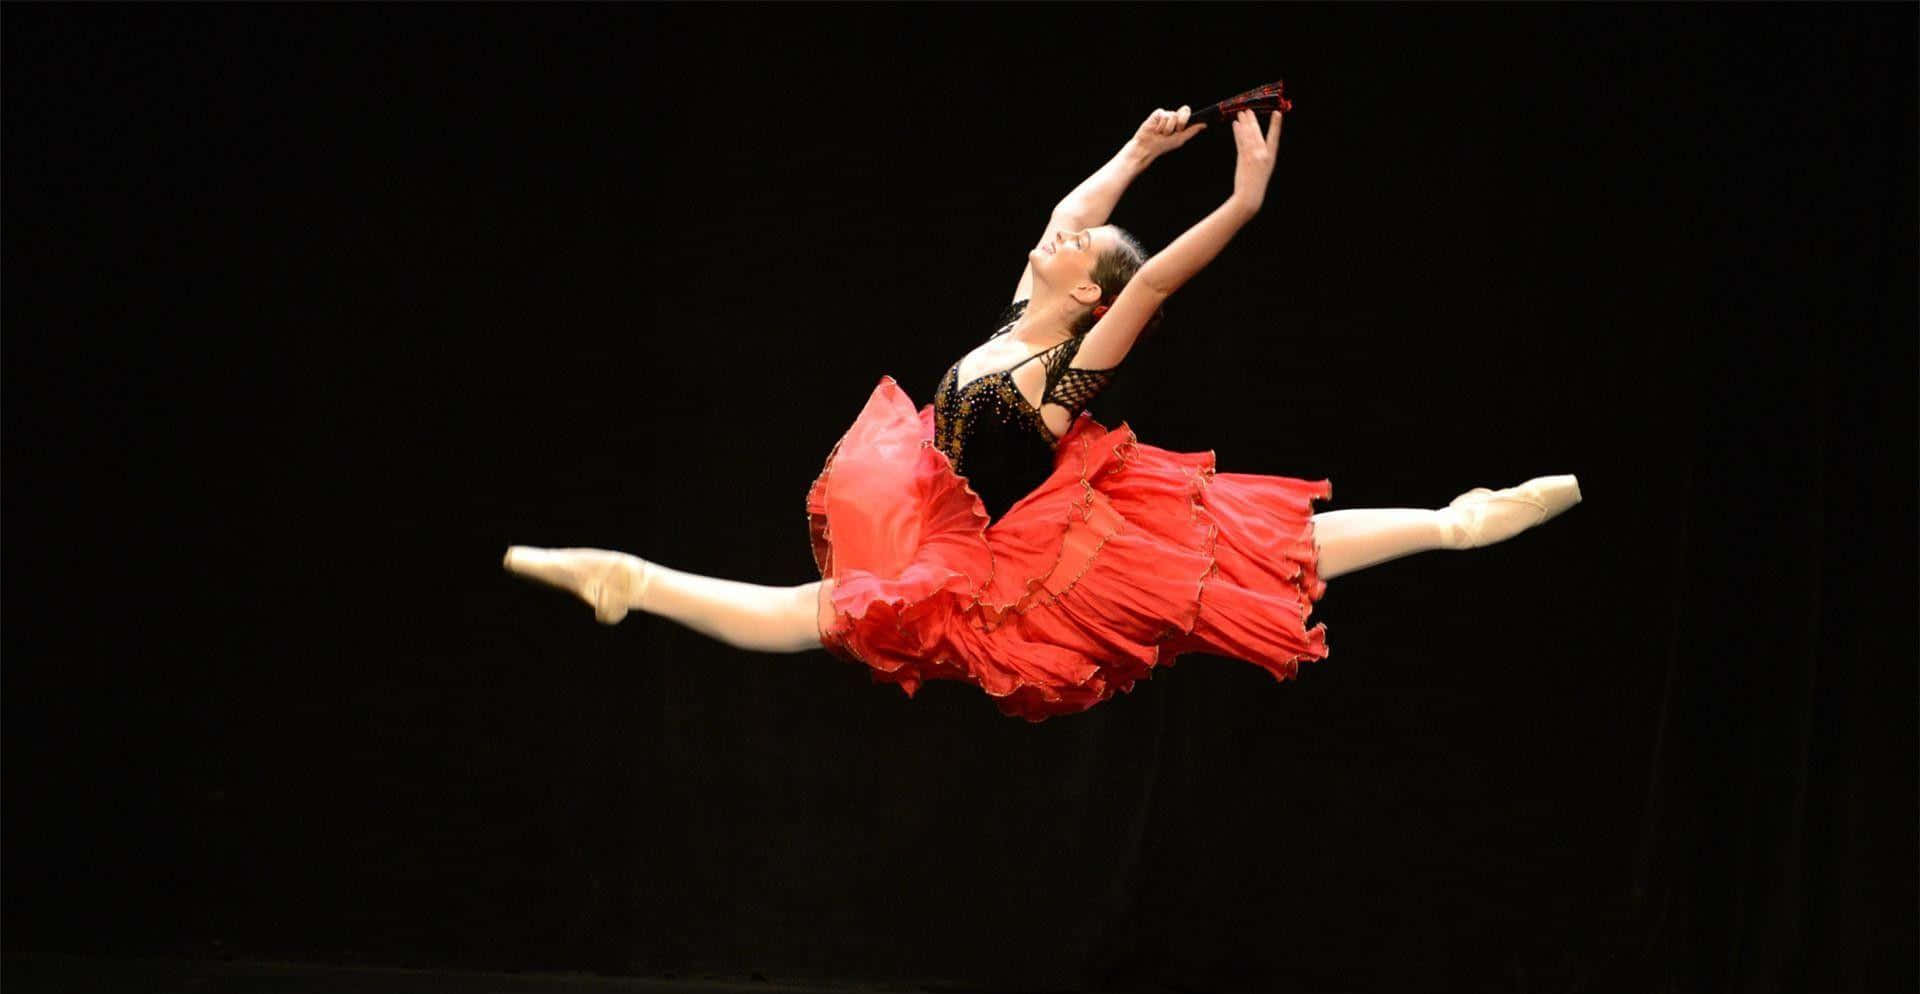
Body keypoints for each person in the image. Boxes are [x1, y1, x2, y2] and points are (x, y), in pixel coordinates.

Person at [504, 103, 1581, 721]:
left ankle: (1455, 521)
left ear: (1089, 296)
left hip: (993, 562)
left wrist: (1242, 201)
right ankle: (630, 580)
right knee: (810, 613)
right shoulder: (1026, 313)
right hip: (933, 506)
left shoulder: (1063, 375)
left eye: (1069, 253)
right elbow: (1073, 214)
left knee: (1254, 538)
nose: (1053, 236)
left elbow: (1152, 285)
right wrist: (1144, 151)